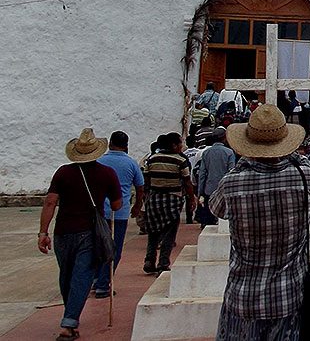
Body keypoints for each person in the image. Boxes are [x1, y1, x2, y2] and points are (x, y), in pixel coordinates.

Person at [211, 103, 310, 340]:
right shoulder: (306, 177)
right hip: (287, 295)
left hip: (242, 295)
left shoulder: (232, 183)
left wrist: (244, 162)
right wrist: (295, 157)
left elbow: (217, 209)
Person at [38, 128, 122, 341]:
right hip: (90, 232)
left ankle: (70, 317)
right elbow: (116, 204)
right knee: (82, 276)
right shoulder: (106, 173)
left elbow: (50, 201)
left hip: (62, 232)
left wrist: (42, 232)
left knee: (66, 275)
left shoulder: (63, 172)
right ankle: (68, 323)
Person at [93, 130, 145, 298]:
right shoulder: (131, 164)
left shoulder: (99, 161)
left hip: (100, 212)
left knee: (99, 246)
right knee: (114, 250)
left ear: (109, 144)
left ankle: (96, 279)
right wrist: (137, 205)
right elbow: (140, 186)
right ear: (126, 145)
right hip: (119, 212)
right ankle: (103, 284)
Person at [143, 132, 196, 274]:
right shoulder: (180, 160)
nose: (181, 146)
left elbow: (146, 181)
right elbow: (187, 182)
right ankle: (163, 263)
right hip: (172, 199)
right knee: (169, 233)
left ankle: (149, 259)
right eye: (180, 143)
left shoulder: (152, 159)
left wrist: (145, 198)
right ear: (173, 145)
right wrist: (191, 198)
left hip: (154, 199)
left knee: (153, 232)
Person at [195, 127, 236, 226]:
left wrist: (200, 191)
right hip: (225, 189)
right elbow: (232, 172)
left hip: (209, 188)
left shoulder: (206, 153)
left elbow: (202, 174)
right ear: (224, 138)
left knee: (208, 218)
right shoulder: (229, 152)